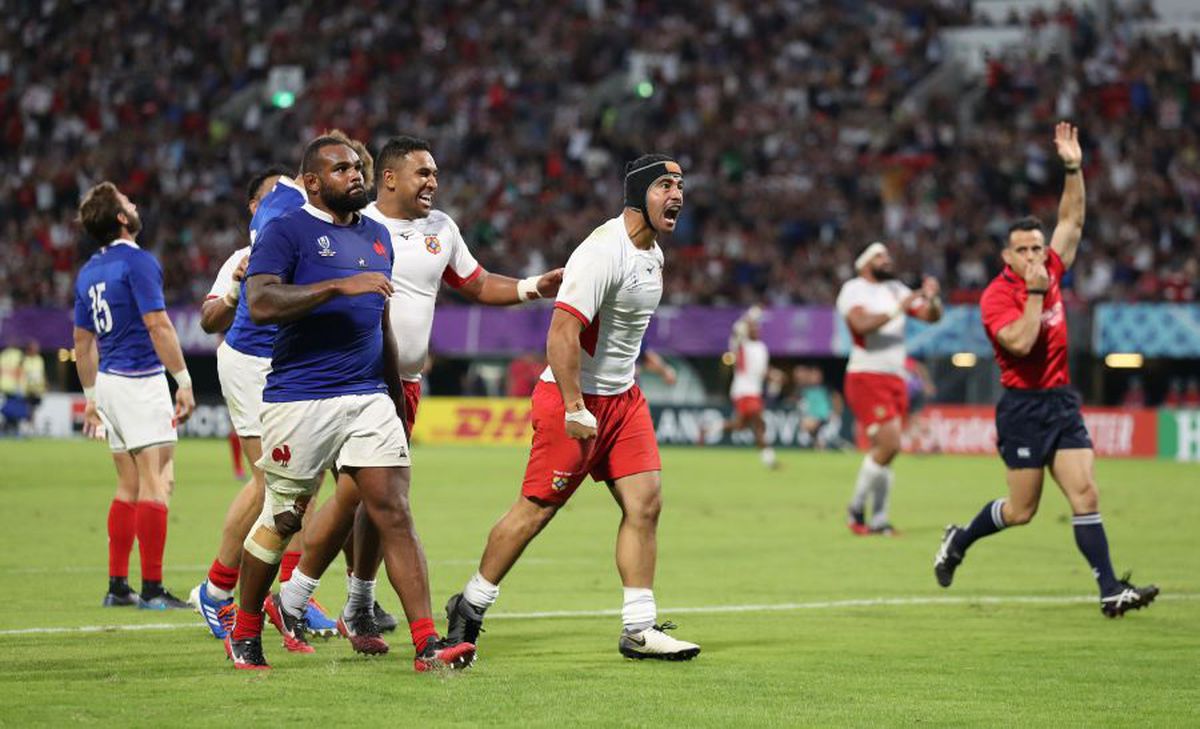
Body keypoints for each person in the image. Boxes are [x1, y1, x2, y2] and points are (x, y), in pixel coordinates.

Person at [279, 135, 563, 656]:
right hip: (352, 379)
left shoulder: (441, 229)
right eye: (422, 174)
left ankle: (346, 601)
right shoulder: (358, 226)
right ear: (389, 178)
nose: (433, 182)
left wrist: (532, 287)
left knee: (369, 497)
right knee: (365, 495)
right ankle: (300, 597)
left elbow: (475, 283)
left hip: (404, 383)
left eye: (435, 174)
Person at [224, 135, 474, 671]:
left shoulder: (376, 237)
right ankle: (245, 628)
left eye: (358, 167)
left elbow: (380, 323)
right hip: (301, 397)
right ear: (312, 183)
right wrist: (337, 288)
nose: (355, 174)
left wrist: (389, 391)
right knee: (283, 516)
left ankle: (428, 642)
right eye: (341, 169)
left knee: (394, 511)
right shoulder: (286, 230)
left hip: (368, 396)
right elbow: (262, 300)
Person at [443, 154, 701, 661]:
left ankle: (639, 628)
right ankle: (468, 607)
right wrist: (574, 404)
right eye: (665, 185)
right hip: (574, 400)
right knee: (535, 512)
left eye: (680, 185)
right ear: (638, 194)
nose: (677, 195)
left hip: (623, 400)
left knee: (645, 503)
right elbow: (561, 331)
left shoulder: (654, 255)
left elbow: (622, 331)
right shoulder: (603, 251)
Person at [934, 123, 1159, 618]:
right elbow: (1020, 341)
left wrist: (1074, 168)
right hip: (1022, 408)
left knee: (1085, 492)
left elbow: (1072, 221)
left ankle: (1108, 589)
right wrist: (1036, 293)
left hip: (1060, 399)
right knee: (1022, 511)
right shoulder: (997, 297)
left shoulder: (1052, 269)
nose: (1036, 256)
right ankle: (960, 538)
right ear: (1006, 256)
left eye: (1039, 248)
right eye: (1025, 250)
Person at [189, 164, 339, 644]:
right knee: (267, 483)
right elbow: (210, 319)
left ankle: (291, 595)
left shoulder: (318, 238)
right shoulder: (245, 254)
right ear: (256, 210)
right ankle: (214, 591)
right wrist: (235, 285)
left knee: (306, 484)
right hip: (252, 363)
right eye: (272, 198)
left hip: (293, 368)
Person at [71, 182, 195, 609]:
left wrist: (90, 396)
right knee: (156, 484)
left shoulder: (88, 271)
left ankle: (117, 586)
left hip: (108, 383)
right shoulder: (138, 262)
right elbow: (158, 324)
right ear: (121, 218)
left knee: (127, 486)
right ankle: (154, 590)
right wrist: (183, 379)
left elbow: (82, 343)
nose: (134, 202)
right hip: (140, 381)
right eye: (127, 201)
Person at [836, 241, 943, 535]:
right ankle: (856, 509)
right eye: (880, 256)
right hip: (867, 374)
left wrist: (932, 298)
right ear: (865, 262)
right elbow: (860, 324)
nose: (887, 260)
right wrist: (899, 309)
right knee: (890, 445)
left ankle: (880, 520)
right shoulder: (854, 289)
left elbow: (931, 316)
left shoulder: (895, 288)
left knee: (887, 450)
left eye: (887, 256)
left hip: (895, 377)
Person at [717, 306, 777, 468]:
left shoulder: (762, 348)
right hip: (743, 390)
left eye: (757, 327)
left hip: (755, 391)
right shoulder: (741, 345)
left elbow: (762, 371)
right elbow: (736, 331)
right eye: (753, 327)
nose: (756, 329)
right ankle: (769, 460)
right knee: (759, 423)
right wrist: (750, 316)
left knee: (740, 425)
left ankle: (712, 429)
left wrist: (774, 375)